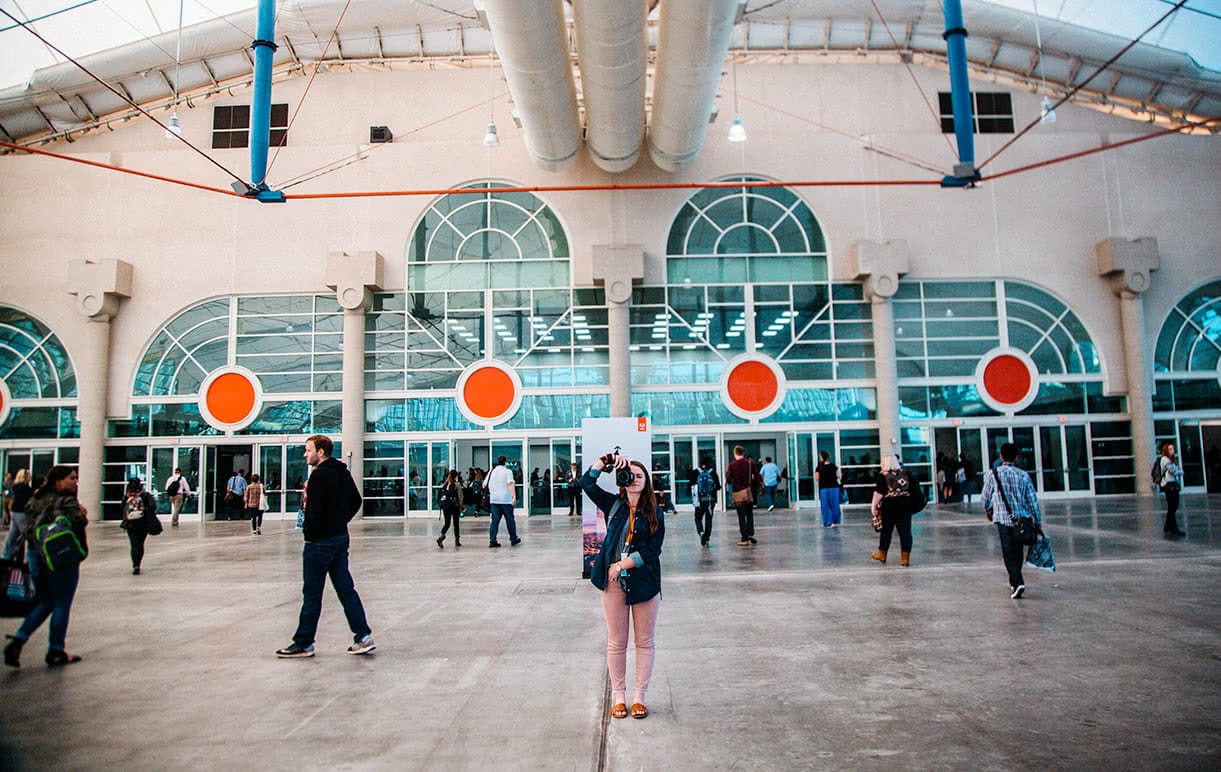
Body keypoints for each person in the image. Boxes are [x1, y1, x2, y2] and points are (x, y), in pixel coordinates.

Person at [578, 448, 665, 720]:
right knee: (617, 642)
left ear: (647, 481)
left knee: (644, 642)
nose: (636, 479)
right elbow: (586, 483)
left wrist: (622, 564)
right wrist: (605, 461)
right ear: (623, 480)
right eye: (631, 475)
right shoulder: (614, 506)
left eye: (641, 476)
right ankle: (619, 697)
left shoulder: (655, 513)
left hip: (644, 582)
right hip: (613, 584)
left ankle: (639, 697)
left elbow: (653, 550)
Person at [276, 435, 375, 658]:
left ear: (321, 452)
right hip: (339, 538)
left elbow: (315, 511)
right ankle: (363, 636)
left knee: (312, 593)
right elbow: (356, 501)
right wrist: (341, 521)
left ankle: (304, 642)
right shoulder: (342, 472)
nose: (305, 454)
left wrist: (312, 533)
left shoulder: (319, 477)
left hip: (319, 543)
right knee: (346, 589)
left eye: (308, 450)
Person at [4, 465, 87, 668]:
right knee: (62, 603)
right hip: (60, 557)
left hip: (36, 555)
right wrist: (81, 513)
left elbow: (28, 529)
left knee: (46, 601)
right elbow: (79, 521)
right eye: (72, 478)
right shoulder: (66, 500)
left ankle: (18, 640)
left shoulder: (36, 498)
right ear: (58, 481)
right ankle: (56, 650)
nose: (75, 481)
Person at [980, 442, 1043, 599]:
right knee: (1018, 550)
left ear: (1001, 456)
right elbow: (1032, 500)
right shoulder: (1023, 475)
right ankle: (1015, 580)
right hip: (1022, 520)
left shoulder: (993, 474)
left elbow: (985, 496)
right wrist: (1037, 519)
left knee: (1008, 552)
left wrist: (987, 509)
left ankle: (1017, 581)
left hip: (1003, 519)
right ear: (1016, 457)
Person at [870, 455, 920, 567]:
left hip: (889, 506)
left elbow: (879, 493)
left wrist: (873, 507)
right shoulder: (907, 474)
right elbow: (915, 490)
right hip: (905, 505)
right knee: (905, 531)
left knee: (886, 531)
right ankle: (905, 558)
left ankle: (882, 554)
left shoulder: (883, 476)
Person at [121, 477, 157, 575]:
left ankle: (136, 564)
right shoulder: (144, 495)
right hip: (139, 524)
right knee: (139, 544)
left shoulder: (132, 496)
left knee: (135, 544)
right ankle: (137, 564)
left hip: (134, 524)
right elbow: (153, 507)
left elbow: (122, 507)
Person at [726, 446, 759, 546]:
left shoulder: (732, 465)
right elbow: (757, 475)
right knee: (749, 514)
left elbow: (729, 480)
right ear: (743, 453)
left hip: (738, 493)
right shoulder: (750, 463)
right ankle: (750, 533)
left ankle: (744, 538)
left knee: (741, 516)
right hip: (748, 492)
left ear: (735, 453)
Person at [486, 455, 520, 548]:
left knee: (494, 521)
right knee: (510, 520)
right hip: (506, 500)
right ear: (505, 462)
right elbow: (510, 484)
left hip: (494, 500)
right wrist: (514, 497)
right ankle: (513, 539)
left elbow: (484, 485)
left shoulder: (491, 472)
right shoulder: (507, 472)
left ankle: (492, 540)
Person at [2, 469, 33, 559]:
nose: (30, 477)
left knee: (13, 533)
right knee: (25, 533)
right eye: (29, 475)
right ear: (24, 476)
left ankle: (6, 553)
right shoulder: (24, 488)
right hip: (20, 513)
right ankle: (15, 550)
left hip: (14, 511)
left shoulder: (16, 486)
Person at [1156, 443, 1185, 536]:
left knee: (1173, 507)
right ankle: (1173, 527)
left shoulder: (1172, 460)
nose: (1173, 450)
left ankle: (1168, 525)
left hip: (1173, 484)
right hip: (1169, 485)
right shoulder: (1165, 459)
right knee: (1172, 506)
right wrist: (1178, 472)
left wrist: (1178, 471)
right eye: (1170, 449)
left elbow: (1176, 470)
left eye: (1173, 448)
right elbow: (1172, 471)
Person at [692, 460, 720, 548]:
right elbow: (718, 486)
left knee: (698, 518)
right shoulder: (713, 473)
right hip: (710, 500)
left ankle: (701, 532)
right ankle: (707, 539)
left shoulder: (696, 472)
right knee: (709, 520)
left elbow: (691, 484)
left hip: (699, 501)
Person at [814, 451, 843, 528]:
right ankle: (835, 520)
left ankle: (828, 522)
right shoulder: (833, 466)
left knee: (826, 505)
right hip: (834, 488)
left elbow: (816, 478)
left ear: (822, 457)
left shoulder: (819, 467)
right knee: (835, 504)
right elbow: (839, 476)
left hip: (824, 488)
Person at [436, 469, 463, 549]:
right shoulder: (457, 484)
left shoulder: (445, 484)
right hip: (454, 506)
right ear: (456, 476)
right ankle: (457, 540)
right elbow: (460, 496)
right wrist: (461, 506)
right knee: (456, 524)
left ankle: (441, 536)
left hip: (446, 506)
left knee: (447, 523)